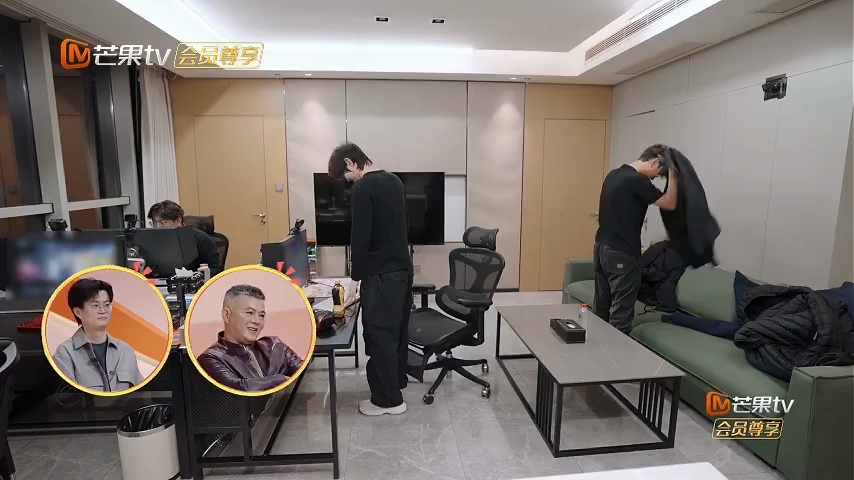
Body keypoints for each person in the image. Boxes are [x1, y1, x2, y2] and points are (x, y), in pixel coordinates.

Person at [328, 142, 413, 416]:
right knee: (396, 334)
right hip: (401, 273)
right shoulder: (394, 181)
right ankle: (396, 384)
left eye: (345, 175)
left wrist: (355, 277)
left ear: (350, 163)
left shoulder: (363, 187)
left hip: (381, 277)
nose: (348, 181)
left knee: (378, 337)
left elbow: (360, 236)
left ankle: (388, 401)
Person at [593, 144, 678, 334]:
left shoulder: (613, 175)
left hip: (601, 248)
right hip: (622, 252)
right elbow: (670, 202)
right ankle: (616, 352)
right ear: (655, 162)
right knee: (621, 312)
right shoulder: (637, 180)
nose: (654, 178)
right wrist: (673, 173)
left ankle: (596, 348)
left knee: (602, 305)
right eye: (657, 174)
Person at [197, 284, 304, 392]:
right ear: (227, 315)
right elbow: (240, 388)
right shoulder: (210, 358)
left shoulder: (275, 345)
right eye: (249, 313)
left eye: (261, 315)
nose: (257, 321)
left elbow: (307, 375)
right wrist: (282, 379)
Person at [52, 278, 144, 392]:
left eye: (107, 304)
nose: (103, 310)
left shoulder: (125, 350)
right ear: (78, 312)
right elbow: (67, 398)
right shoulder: (65, 353)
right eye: (95, 305)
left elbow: (142, 394)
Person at [146, 200, 223, 274]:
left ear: (178, 221)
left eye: (163, 222)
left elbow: (214, 269)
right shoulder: (155, 241)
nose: (157, 227)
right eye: (154, 223)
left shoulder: (202, 240)